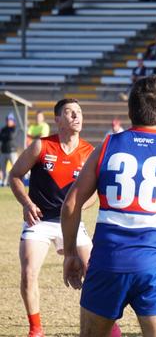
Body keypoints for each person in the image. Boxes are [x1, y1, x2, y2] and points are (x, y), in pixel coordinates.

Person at [61, 76, 156, 337]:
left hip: (107, 263)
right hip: (155, 267)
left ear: (130, 112)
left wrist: (70, 253)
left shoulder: (107, 147)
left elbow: (71, 205)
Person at [8, 99, 95, 337]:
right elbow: (14, 176)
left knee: (95, 273)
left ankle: (107, 327)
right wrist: (27, 204)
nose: (76, 116)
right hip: (40, 222)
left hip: (73, 224)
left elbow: (94, 192)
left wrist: (76, 210)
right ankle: (35, 329)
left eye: (79, 111)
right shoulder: (41, 146)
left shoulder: (90, 152)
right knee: (28, 273)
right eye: (69, 112)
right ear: (57, 120)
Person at [0, 113, 18, 186]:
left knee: (15, 168)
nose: (8, 121)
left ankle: (16, 182)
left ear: (13, 121)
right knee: (3, 169)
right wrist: (4, 136)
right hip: (4, 151)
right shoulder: (4, 129)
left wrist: (4, 136)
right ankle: (5, 182)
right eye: (7, 120)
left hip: (12, 151)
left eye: (10, 120)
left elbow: (11, 136)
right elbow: (1, 138)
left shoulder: (14, 128)